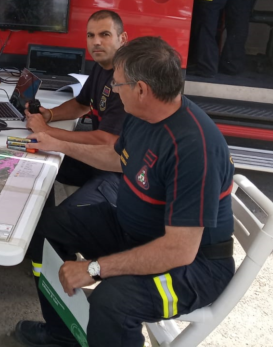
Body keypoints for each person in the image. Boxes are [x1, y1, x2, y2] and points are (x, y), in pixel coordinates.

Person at [14, 37, 235, 347]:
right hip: (137, 231)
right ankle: (63, 334)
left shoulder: (194, 148)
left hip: (194, 268)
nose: (114, 91)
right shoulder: (143, 115)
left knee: (112, 303)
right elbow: (118, 159)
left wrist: (93, 269)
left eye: (117, 85)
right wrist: (60, 146)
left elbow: (178, 250)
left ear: (141, 89)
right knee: (46, 228)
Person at [24, 10, 128, 208]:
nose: (96, 42)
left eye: (104, 35)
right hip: (96, 156)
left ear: (122, 38)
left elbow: (106, 139)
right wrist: (50, 115)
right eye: (91, 35)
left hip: (116, 169)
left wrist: (47, 132)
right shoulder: (101, 65)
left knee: (64, 221)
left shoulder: (125, 78)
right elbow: (81, 104)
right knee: (35, 159)